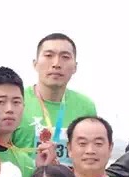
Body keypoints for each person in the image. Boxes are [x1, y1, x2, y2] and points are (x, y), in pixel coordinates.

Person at [20, 33, 98, 166]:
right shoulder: (17, 102)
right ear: (35, 64)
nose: (56, 64)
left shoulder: (86, 107)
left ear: (75, 67)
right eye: (49, 55)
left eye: (65, 57)